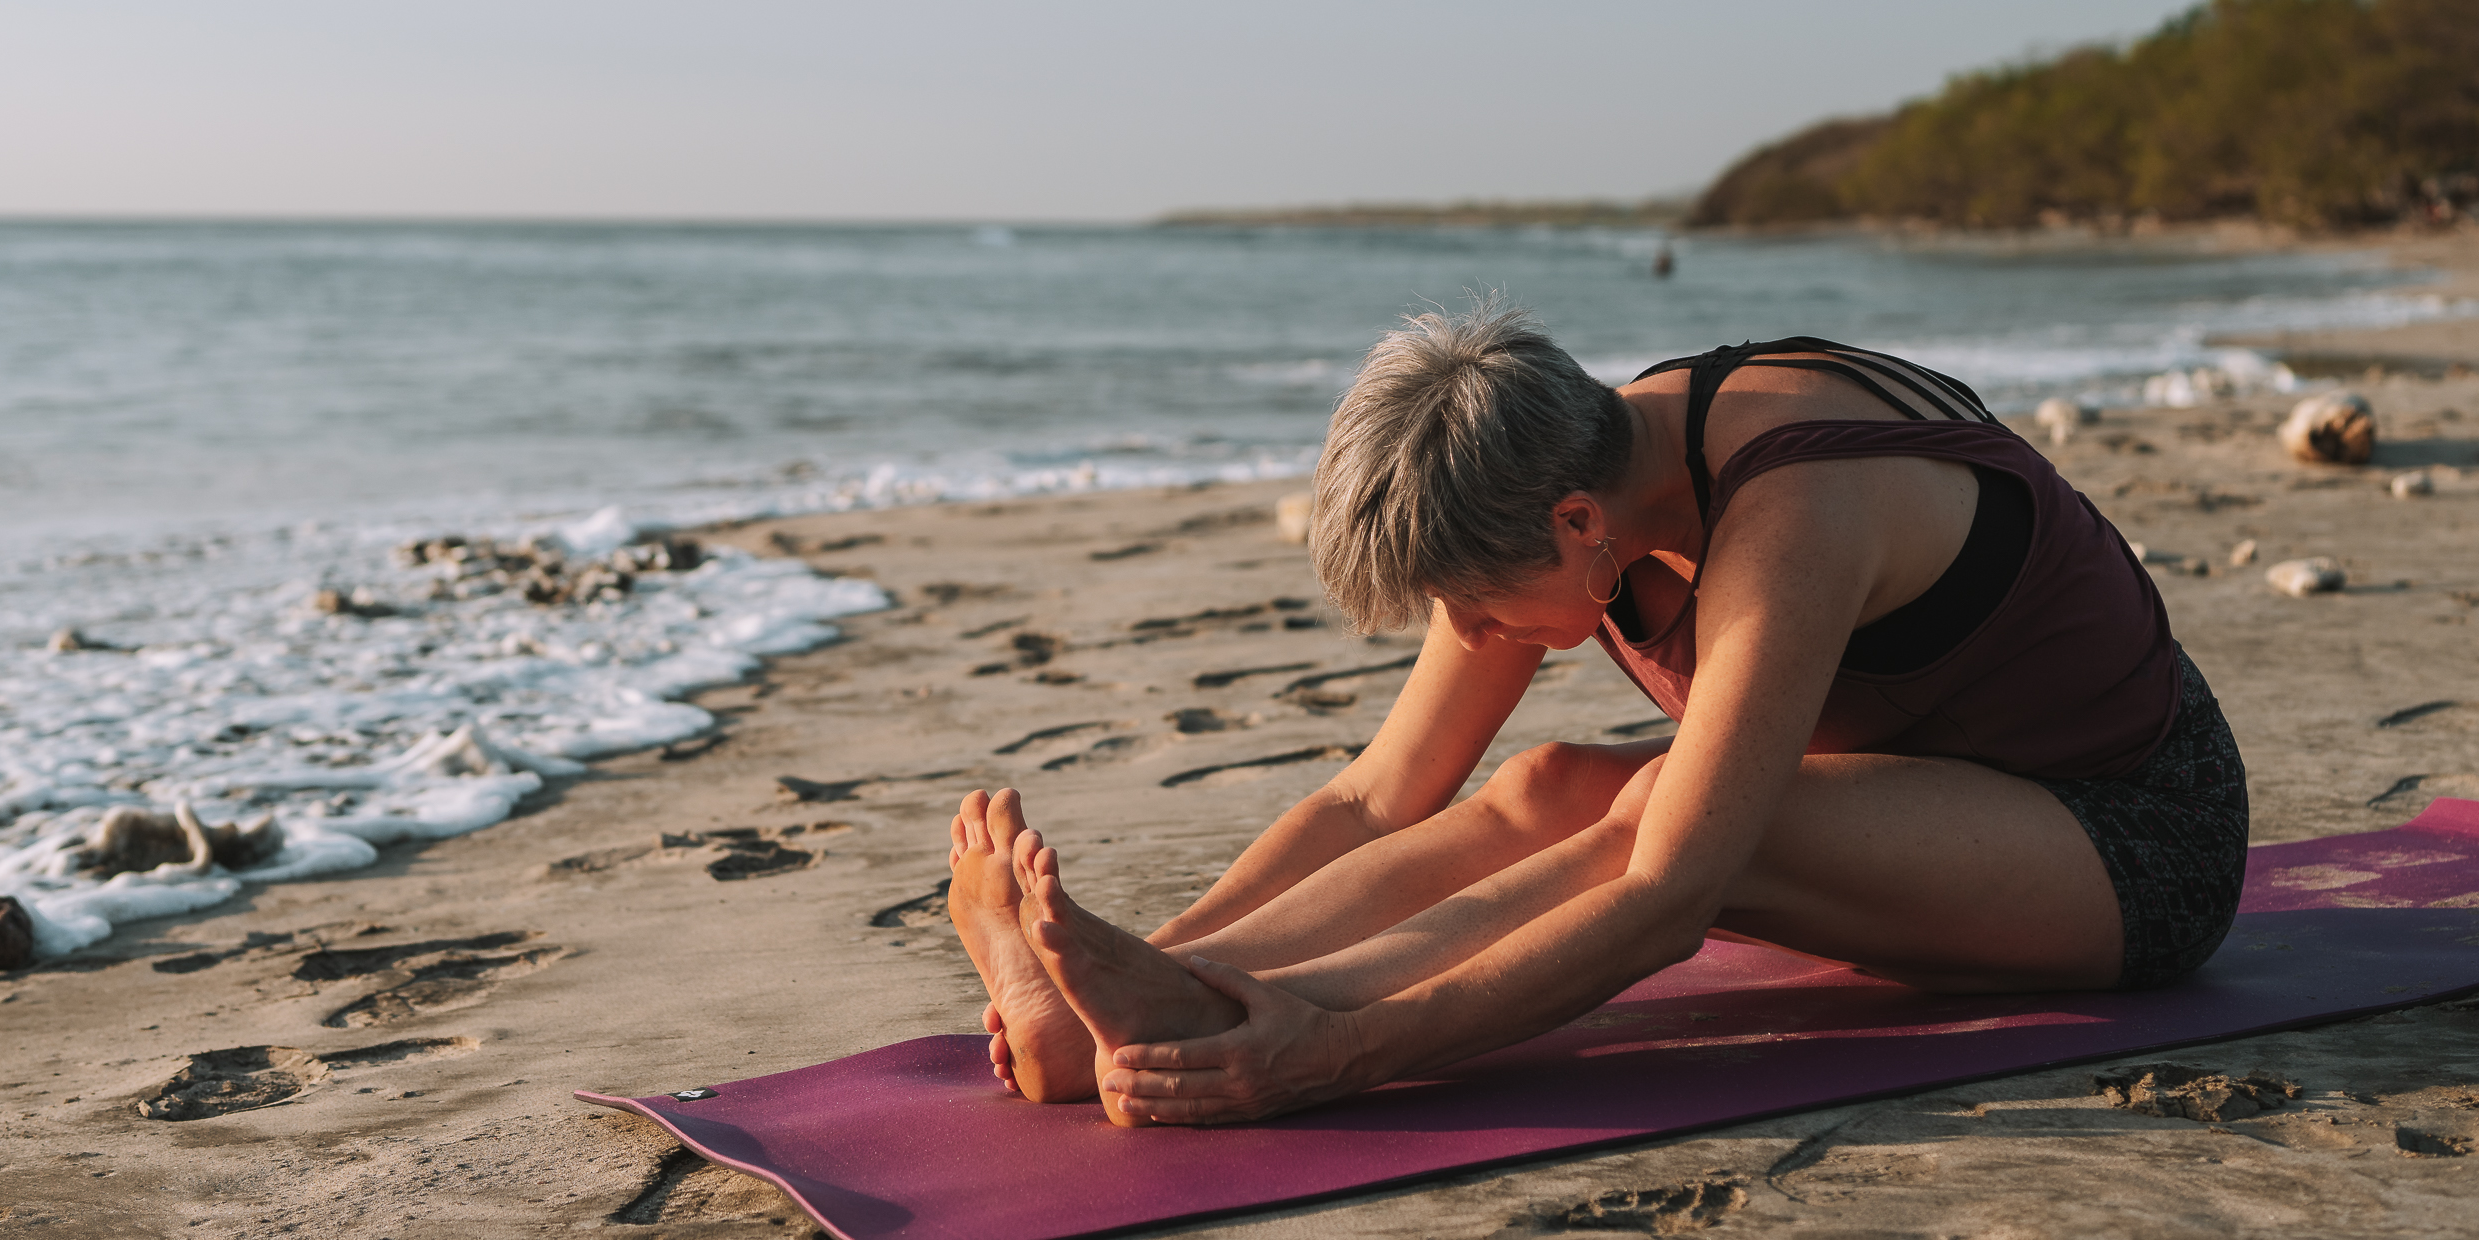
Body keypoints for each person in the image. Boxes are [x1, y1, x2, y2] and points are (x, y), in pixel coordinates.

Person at [947, 305, 2249, 1126]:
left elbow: (1670, 898)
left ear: (1575, 524)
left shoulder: (1792, 511)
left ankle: (1236, 1017)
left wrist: (1331, 1052)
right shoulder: (1564, 471)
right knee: (1549, 782)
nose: (1476, 633)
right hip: (1929, 802)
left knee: (1652, 818)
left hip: (2130, 835)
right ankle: (1163, 999)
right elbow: (1375, 793)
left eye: (1479, 604)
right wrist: (1125, 961)